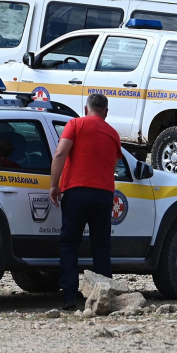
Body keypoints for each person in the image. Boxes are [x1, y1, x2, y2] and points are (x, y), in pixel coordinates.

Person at [49, 93, 122, 310]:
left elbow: (60, 153)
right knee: (101, 247)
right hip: (103, 195)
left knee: (70, 243)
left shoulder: (75, 124)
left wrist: (54, 185)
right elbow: (114, 164)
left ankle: (69, 296)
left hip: (76, 191)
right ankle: (103, 298)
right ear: (105, 112)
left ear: (86, 108)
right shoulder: (113, 133)